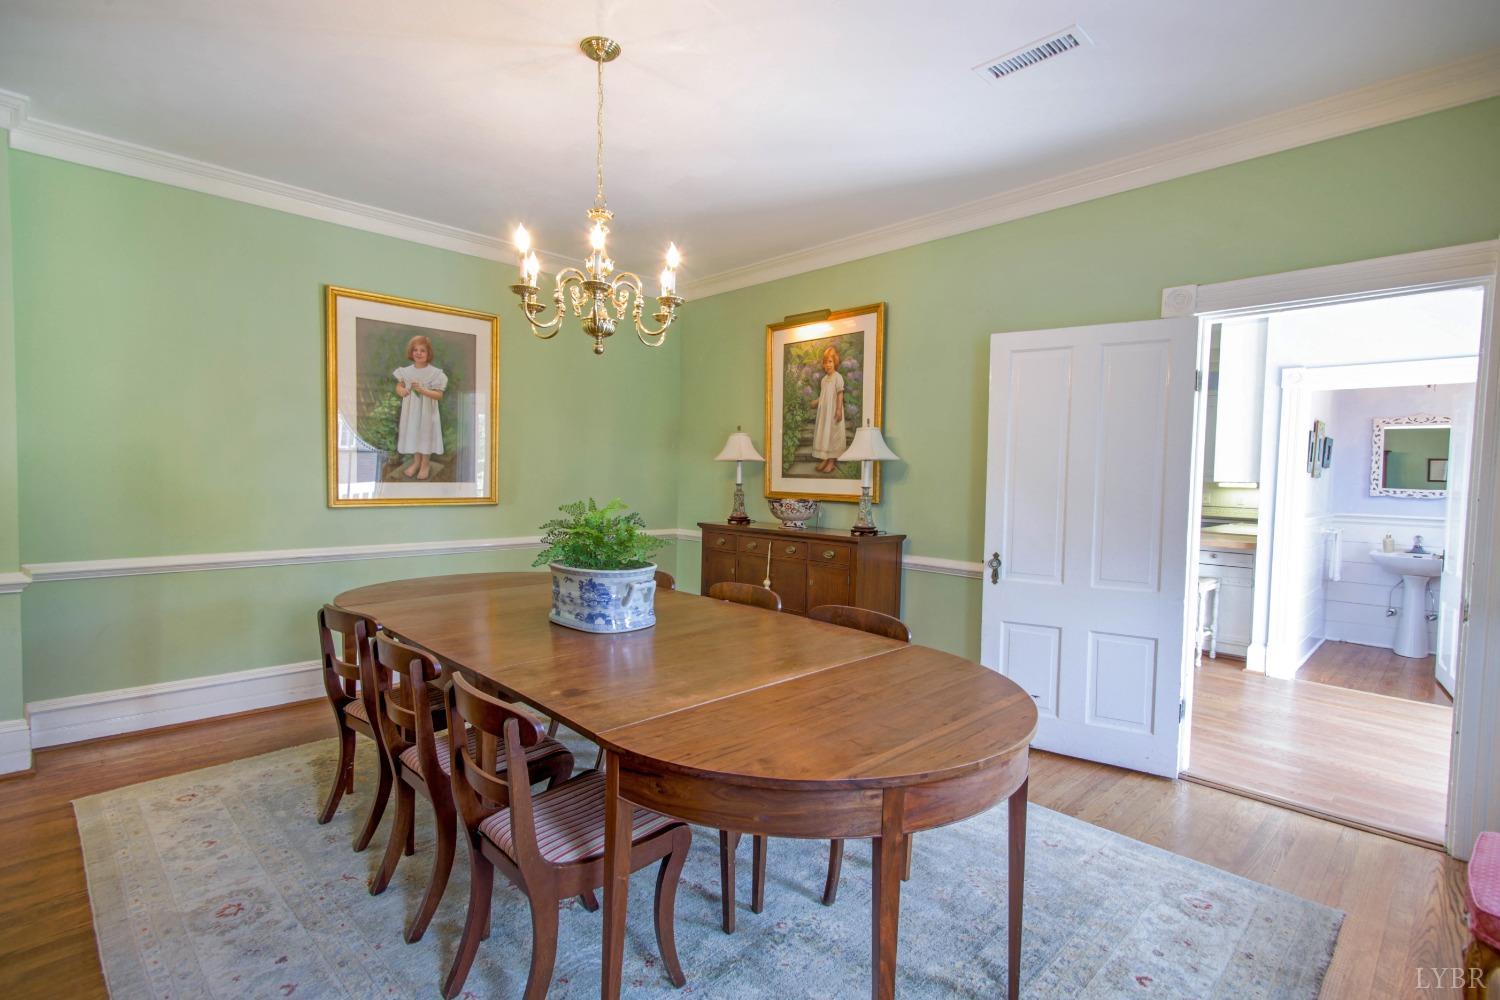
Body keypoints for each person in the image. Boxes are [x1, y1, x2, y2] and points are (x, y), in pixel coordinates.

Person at [392, 334, 447, 480]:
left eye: (422, 350)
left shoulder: (435, 373)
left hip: (428, 412)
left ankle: (425, 464)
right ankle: (416, 462)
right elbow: (399, 385)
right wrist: (401, 390)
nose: (418, 353)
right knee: (414, 434)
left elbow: (439, 395)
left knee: (425, 435)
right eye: (415, 350)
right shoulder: (406, 372)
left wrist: (423, 390)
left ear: (428, 353)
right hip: (411, 412)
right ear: (411, 352)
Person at [810, 345, 845, 474]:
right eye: (825, 362)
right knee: (824, 434)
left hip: (834, 412)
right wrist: (815, 401)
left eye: (830, 361)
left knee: (832, 435)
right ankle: (825, 458)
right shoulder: (824, 380)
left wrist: (839, 409)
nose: (828, 365)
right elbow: (823, 395)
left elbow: (840, 393)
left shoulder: (838, 377)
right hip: (824, 413)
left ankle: (831, 462)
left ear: (835, 362)